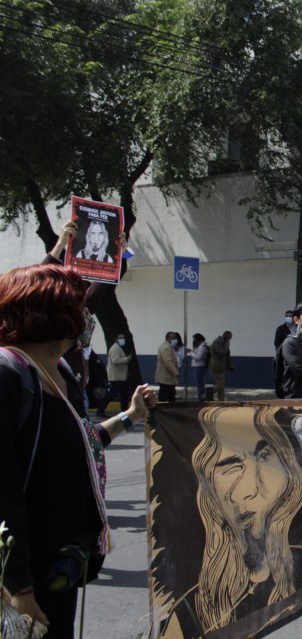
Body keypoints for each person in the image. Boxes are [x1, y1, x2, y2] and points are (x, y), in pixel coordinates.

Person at [0, 263, 157, 638]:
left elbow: (80, 444)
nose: (87, 317)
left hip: (59, 567)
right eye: (79, 307)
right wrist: (18, 587)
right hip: (22, 579)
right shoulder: (8, 374)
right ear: (48, 313)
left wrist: (131, 416)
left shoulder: (61, 373)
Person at [162, 405, 302, 637]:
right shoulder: (187, 612)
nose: (250, 489)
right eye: (229, 467)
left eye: (263, 457)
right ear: (209, 487)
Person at [107, 332, 133, 413]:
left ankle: (124, 410)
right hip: (116, 376)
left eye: (123, 338)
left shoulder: (118, 348)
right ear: (116, 339)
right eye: (120, 338)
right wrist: (127, 359)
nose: (122, 340)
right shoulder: (115, 348)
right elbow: (115, 360)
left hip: (120, 376)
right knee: (113, 394)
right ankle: (101, 409)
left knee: (124, 393)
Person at [209, 331, 234, 401]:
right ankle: (207, 394)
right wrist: (227, 345)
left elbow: (227, 355)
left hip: (221, 367)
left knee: (222, 386)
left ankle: (221, 400)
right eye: (229, 338)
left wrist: (229, 365)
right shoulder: (217, 342)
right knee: (221, 385)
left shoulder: (224, 343)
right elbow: (221, 352)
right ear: (225, 337)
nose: (229, 341)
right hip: (216, 366)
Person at [155, 331, 179, 402]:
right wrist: (176, 372)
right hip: (166, 376)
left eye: (175, 338)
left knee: (170, 394)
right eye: (173, 338)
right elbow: (168, 362)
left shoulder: (169, 347)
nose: (175, 340)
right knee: (165, 395)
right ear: (168, 338)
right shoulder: (166, 348)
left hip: (167, 377)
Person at [190, 333, 209, 400]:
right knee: (199, 384)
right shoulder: (199, 346)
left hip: (199, 367)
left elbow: (198, 357)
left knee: (200, 384)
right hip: (197, 367)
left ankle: (201, 398)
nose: (193, 341)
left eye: (194, 339)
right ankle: (201, 397)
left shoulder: (202, 346)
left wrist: (191, 352)